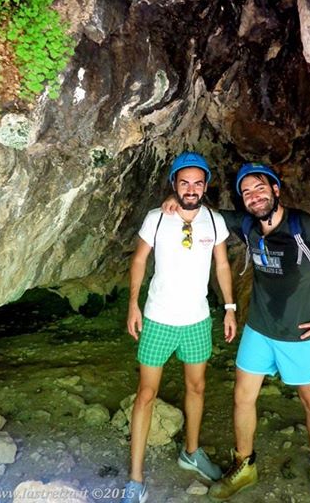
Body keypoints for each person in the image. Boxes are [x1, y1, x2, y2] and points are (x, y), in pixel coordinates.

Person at [164, 162, 310, 503]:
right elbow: (203, 211)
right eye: (247, 193)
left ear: (275, 190)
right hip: (258, 329)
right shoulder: (247, 226)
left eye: (260, 188)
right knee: (242, 398)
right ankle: (244, 465)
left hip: (300, 334)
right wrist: (174, 200)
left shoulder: (304, 227)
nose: (254, 197)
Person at [122, 151, 237, 503]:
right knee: (146, 394)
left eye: (197, 183)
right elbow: (139, 260)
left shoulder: (214, 221)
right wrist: (133, 304)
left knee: (197, 387)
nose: (191, 189)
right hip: (158, 318)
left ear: (205, 186)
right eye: (184, 182)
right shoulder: (157, 218)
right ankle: (135, 478)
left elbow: (222, 265)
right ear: (174, 183)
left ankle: (191, 452)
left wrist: (230, 308)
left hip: (197, 320)